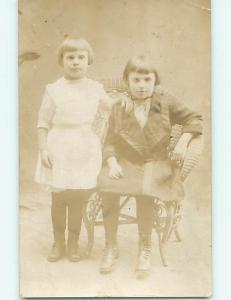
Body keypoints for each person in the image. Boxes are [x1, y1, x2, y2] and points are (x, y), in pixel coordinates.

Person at [98, 55, 203, 278]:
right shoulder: (119, 105)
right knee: (107, 183)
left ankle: (144, 247)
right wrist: (111, 161)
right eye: (136, 80)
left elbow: (194, 118)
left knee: (146, 189)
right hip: (125, 160)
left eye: (147, 80)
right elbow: (109, 140)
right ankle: (111, 245)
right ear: (126, 81)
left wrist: (183, 141)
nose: (142, 86)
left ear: (155, 82)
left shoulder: (165, 100)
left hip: (156, 161)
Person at [35, 38, 129, 262]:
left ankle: (73, 244)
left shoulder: (95, 88)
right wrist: (43, 149)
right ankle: (58, 243)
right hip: (59, 146)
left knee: (77, 198)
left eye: (81, 58)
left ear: (88, 61)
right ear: (62, 61)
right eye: (70, 57)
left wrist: (123, 98)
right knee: (59, 198)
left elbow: (110, 105)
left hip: (84, 146)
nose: (76, 62)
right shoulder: (54, 89)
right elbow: (42, 123)